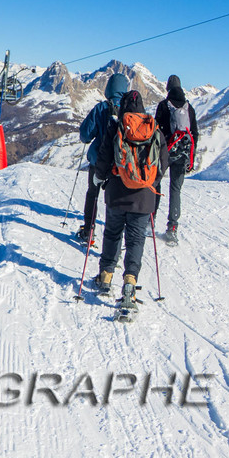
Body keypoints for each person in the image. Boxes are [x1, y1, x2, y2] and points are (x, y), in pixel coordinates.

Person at [90, 90, 168, 306]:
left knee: (112, 233)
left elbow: (104, 157)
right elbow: (163, 162)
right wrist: (151, 182)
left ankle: (105, 276)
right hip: (143, 198)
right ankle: (130, 283)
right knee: (135, 240)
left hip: (116, 192)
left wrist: (99, 178)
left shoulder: (116, 127)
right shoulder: (154, 129)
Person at [76, 72, 130, 243]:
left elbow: (85, 135)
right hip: (120, 164)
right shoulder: (130, 109)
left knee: (93, 193)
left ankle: (88, 231)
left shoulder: (101, 108)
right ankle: (115, 240)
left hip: (98, 160)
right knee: (115, 201)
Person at [154, 75, 199, 244]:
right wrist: (191, 157)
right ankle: (172, 228)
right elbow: (195, 133)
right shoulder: (189, 108)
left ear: (168, 88)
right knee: (175, 190)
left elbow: (156, 130)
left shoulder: (164, 105)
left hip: (165, 152)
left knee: (155, 184)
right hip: (183, 154)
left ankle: (150, 221)